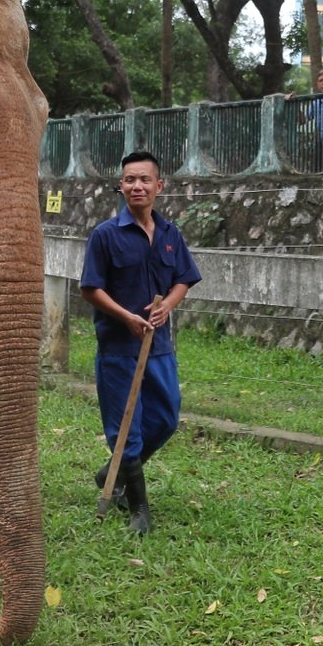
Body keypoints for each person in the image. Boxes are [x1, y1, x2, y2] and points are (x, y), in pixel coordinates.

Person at [78, 150, 202, 535]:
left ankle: (113, 472)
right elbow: (90, 289)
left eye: (144, 180)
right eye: (130, 180)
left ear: (159, 186)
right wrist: (126, 316)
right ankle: (139, 509)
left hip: (158, 345)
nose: (137, 186)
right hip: (118, 347)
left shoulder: (169, 234)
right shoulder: (105, 235)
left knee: (165, 418)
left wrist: (167, 304)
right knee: (125, 427)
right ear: (121, 186)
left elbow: (183, 278)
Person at [288, 70, 323, 169]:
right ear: (317, 85)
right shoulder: (316, 102)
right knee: (319, 170)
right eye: (320, 81)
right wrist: (295, 105)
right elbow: (303, 121)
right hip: (322, 144)